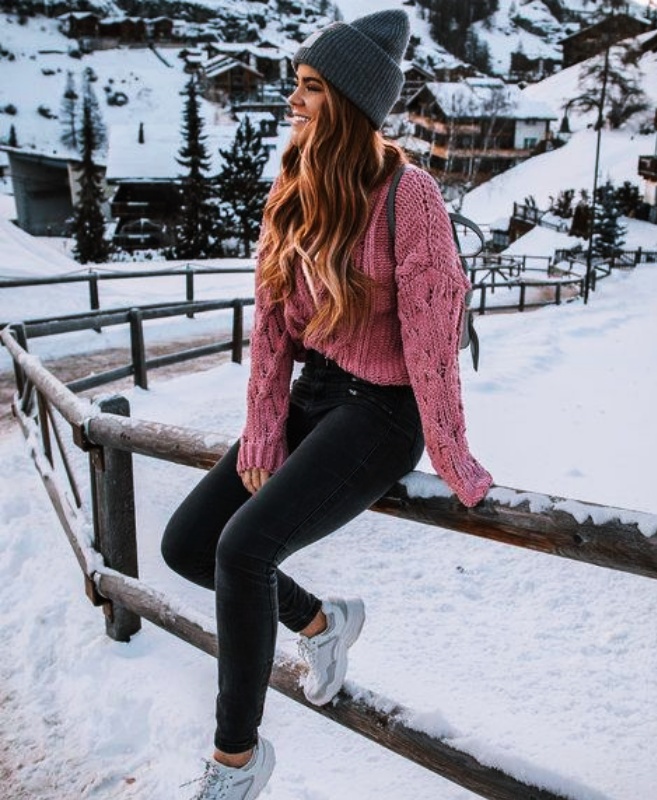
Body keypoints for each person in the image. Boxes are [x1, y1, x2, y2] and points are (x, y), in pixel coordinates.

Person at [162, 8, 492, 799]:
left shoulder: (409, 196)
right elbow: (272, 329)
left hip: (381, 413)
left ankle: (235, 764)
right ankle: (320, 621)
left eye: (310, 88)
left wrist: (453, 454)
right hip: (316, 396)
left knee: (243, 552)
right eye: (297, 85)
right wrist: (262, 431)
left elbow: (432, 340)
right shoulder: (294, 184)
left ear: (349, 100)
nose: (294, 101)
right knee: (187, 544)